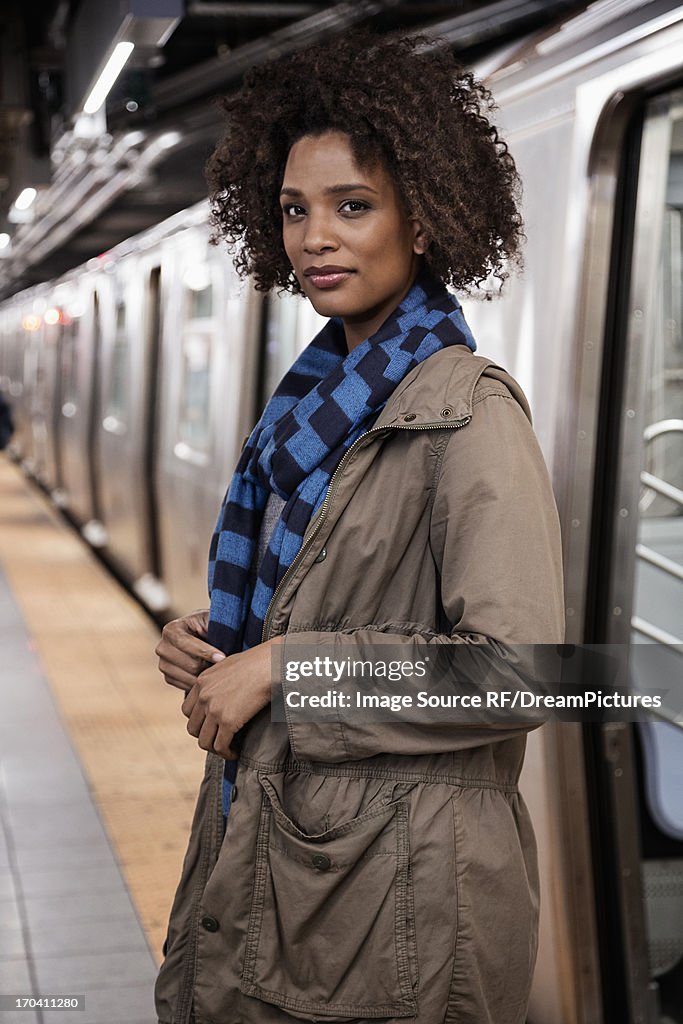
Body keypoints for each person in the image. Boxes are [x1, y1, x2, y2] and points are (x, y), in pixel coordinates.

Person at [154, 31, 564, 1024]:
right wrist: (220, 648)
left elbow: (515, 671)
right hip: (297, 872)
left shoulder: (465, 410)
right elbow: (310, 596)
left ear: (422, 220)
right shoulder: (307, 405)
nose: (313, 238)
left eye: (352, 205)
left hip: (401, 913)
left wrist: (288, 667)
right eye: (294, 209)